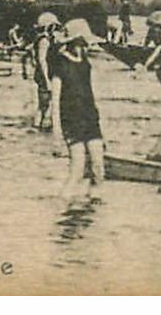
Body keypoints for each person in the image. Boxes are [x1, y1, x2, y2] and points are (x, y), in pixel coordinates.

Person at [50, 29, 104, 201]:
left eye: (84, 44)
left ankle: (93, 203)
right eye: (80, 44)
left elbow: (90, 92)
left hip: (90, 118)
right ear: (71, 42)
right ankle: (63, 205)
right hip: (71, 120)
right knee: (77, 168)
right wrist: (56, 129)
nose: (82, 48)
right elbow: (55, 99)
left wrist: (102, 124)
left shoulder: (85, 64)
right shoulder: (60, 64)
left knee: (98, 167)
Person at [32, 11, 60, 130]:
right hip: (44, 75)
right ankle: (41, 124)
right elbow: (42, 60)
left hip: (43, 74)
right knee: (45, 103)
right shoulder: (44, 41)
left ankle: (39, 125)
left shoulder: (43, 39)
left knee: (45, 103)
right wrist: (47, 79)